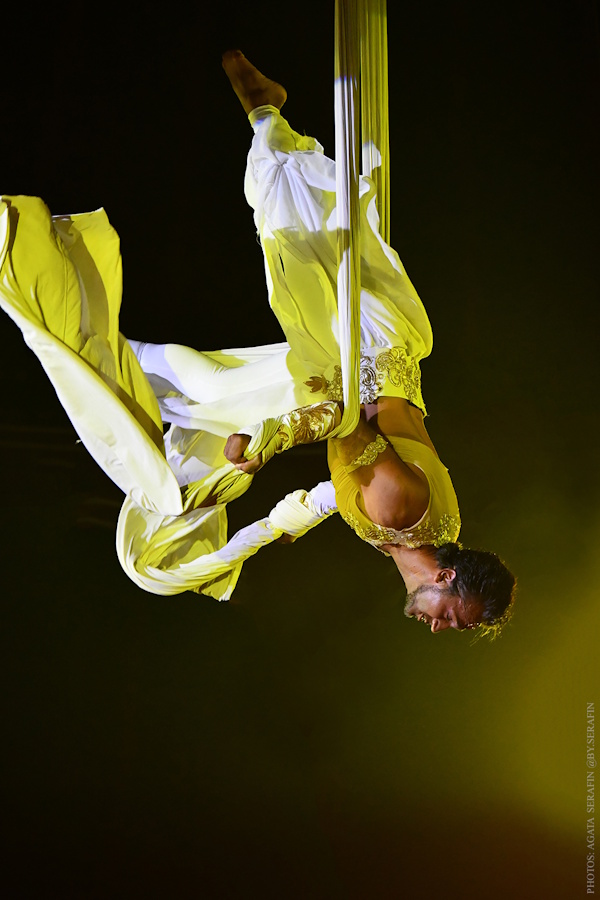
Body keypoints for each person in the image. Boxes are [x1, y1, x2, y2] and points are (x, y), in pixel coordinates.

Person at [0, 51, 515, 637]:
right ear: (447, 580)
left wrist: (292, 515)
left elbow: (354, 462)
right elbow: (341, 422)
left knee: (198, 388)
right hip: (353, 358)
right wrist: (268, 442)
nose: (441, 628)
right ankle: (259, 115)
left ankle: (90, 337)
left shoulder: (427, 530)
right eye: (455, 618)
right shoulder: (399, 514)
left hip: (352, 370)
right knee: (292, 239)